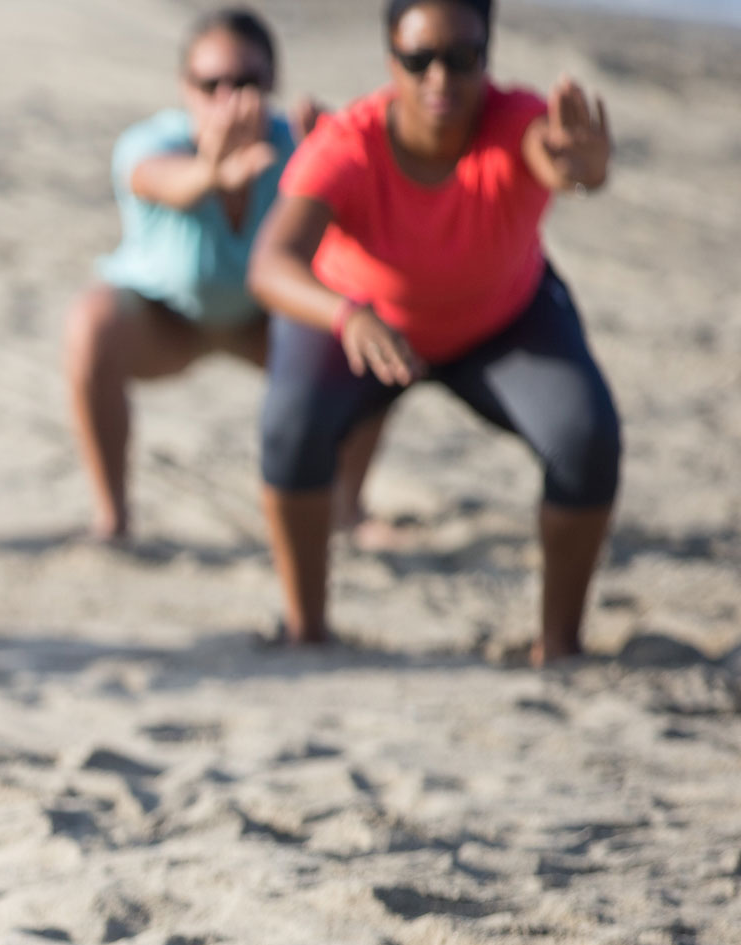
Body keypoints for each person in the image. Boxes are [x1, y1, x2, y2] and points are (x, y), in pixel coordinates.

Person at [248, 0, 617, 662]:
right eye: (419, 60)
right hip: (362, 324)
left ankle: (559, 644)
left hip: (501, 320)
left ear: (487, 57)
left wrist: (582, 169)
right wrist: (346, 314)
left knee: (585, 436)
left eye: (461, 57)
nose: (439, 78)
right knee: (289, 426)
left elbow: (555, 160)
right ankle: (307, 628)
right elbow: (271, 263)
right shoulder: (348, 144)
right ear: (391, 59)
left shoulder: (518, 122)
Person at [66, 9, 379, 544]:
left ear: (272, 84)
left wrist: (340, 158)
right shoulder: (152, 142)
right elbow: (158, 181)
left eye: (246, 82)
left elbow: (366, 224)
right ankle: (112, 516)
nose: (227, 99)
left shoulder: (299, 147)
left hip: (265, 323)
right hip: (167, 320)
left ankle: (346, 509)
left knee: (365, 331)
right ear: (184, 86)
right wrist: (210, 172)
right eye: (211, 84)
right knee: (91, 323)